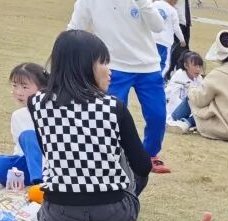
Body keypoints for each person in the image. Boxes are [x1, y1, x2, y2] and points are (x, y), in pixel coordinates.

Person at [28, 31, 151, 221]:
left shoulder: (37, 103)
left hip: (58, 216)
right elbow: (143, 166)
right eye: (103, 63)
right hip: (114, 218)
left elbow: (47, 150)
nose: (110, 71)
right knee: (119, 150)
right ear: (84, 66)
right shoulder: (113, 107)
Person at [68, 0, 172, 173]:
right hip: (113, 66)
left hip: (148, 66)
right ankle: (114, 158)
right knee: (110, 117)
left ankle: (150, 156)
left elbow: (158, 26)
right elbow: (74, 28)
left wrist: (142, 3)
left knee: (157, 116)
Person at [0, 62, 48, 187]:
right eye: (15, 86)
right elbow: (20, 150)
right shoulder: (18, 116)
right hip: (28, 165)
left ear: (42, 88)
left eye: (25, 87)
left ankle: (39, 181)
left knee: (29, 135)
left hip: (52, 164)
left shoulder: (52, 111)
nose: (19, 92)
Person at [165, 51, 203, 130]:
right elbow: (173, 100)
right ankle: (183, 122)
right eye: (195, 66)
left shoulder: (199, 78)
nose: (198, 69)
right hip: (175, 112)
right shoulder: (179, 76)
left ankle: (186, 123)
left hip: (191, 112)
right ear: (186, 65)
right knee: (192, 96)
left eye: (200, 66)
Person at [151, 0, 183, 76]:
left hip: (151, 39)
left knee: (151, 61)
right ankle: (158, 79)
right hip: (164, 42)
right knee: (164, 64)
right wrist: (182, 40)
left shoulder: (154, 4)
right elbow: (176, 28)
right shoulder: (172, 10)